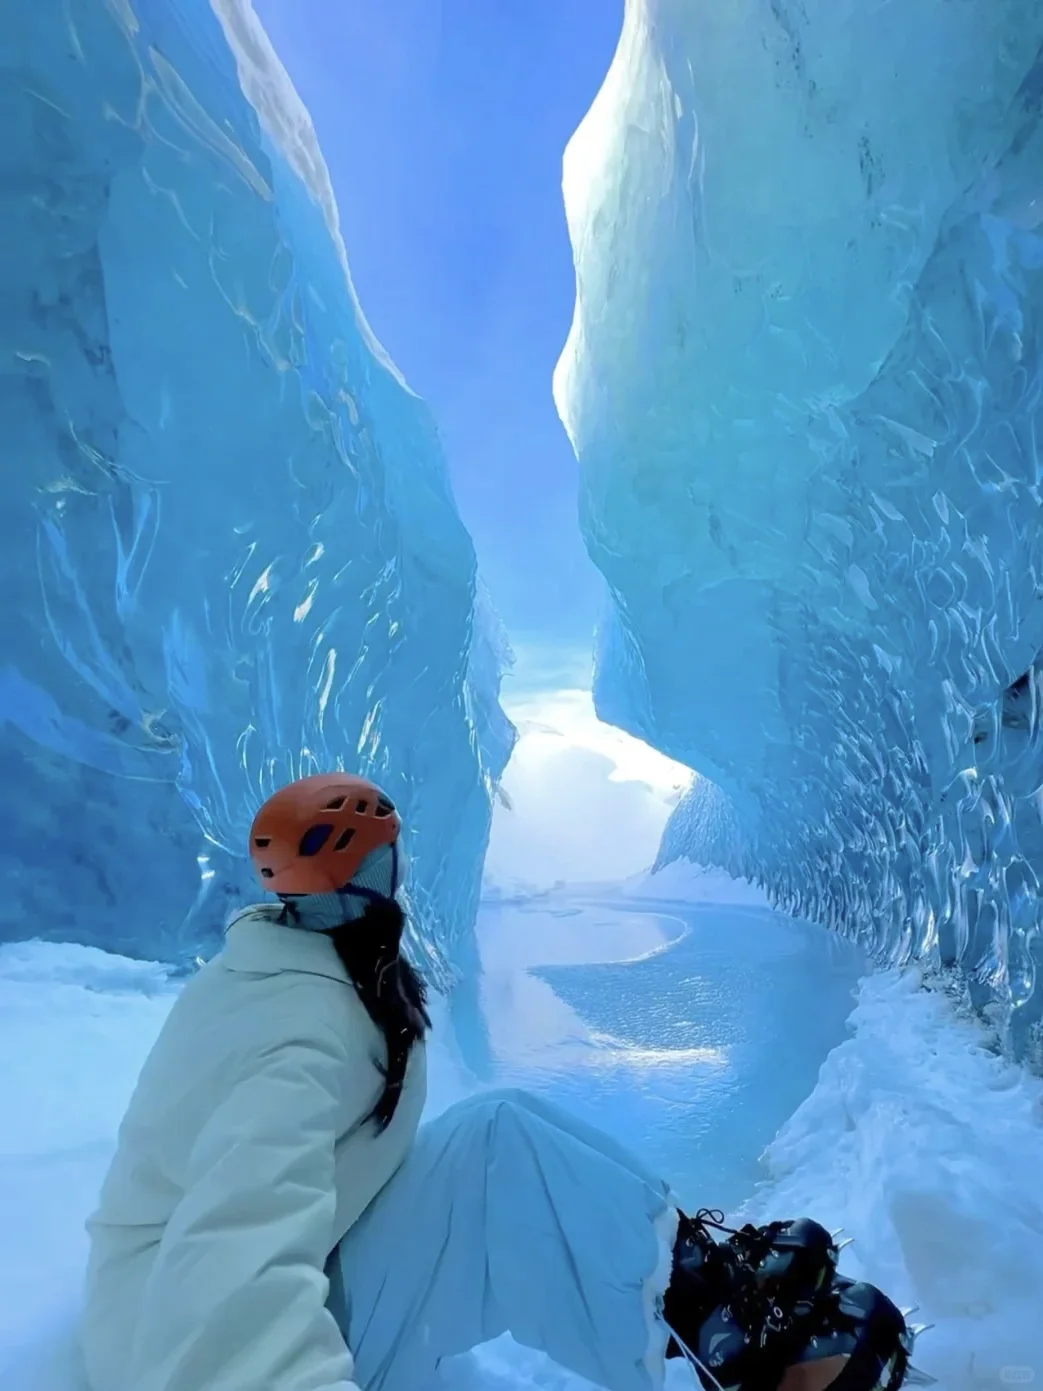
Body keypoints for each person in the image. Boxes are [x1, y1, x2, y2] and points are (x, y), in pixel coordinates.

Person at [81, 772, 917, 1391]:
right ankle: (741, 1341)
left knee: (498, 1130)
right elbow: (227, 1257)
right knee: (500, 1159)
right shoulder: (297, 1031)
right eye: (385, 861)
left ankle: (700, 1289)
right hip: (179, 1350)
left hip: (191, 1303)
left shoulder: (284, 970)